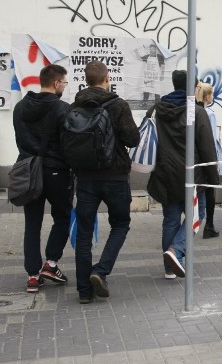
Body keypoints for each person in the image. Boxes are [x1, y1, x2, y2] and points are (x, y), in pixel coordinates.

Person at [71, 61, 140, 303]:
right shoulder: (118, 104)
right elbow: (132, 139)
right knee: (120, 224)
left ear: (86, 79)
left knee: (84, 234)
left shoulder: (75, 106)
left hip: (86, 178)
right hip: (115, 177)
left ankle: (83, 292)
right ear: (106, 78)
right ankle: (100, 271)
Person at [147, 70, 220, 279]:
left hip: (165, 173)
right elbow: (207, 148)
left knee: (170, 219)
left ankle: (170, 268)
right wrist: (213, 178)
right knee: (198, 215)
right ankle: (176, 250)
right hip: (193, 176)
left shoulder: (158, 109)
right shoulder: (196, 112)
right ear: (194, 86)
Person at [12, 64, 73, 293]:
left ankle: (32, 276)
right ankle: (51, 263)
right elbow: (67, 144)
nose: (64, 88)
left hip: (29, 171)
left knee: (32, 223)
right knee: (64, 217)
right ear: (56, 83)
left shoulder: (20, 108)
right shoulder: (63, 109)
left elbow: (20, 138)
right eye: (64, 83)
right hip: (56, 171)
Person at [195, 82, 222, 238]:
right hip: (207, 157)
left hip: (195, 158)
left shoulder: (194, 111)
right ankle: (209, 225)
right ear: (207, 96)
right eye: (212, 94)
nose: (212, 97)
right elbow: (211, 139)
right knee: (209, 192)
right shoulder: (209, 114)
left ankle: (202, 222)